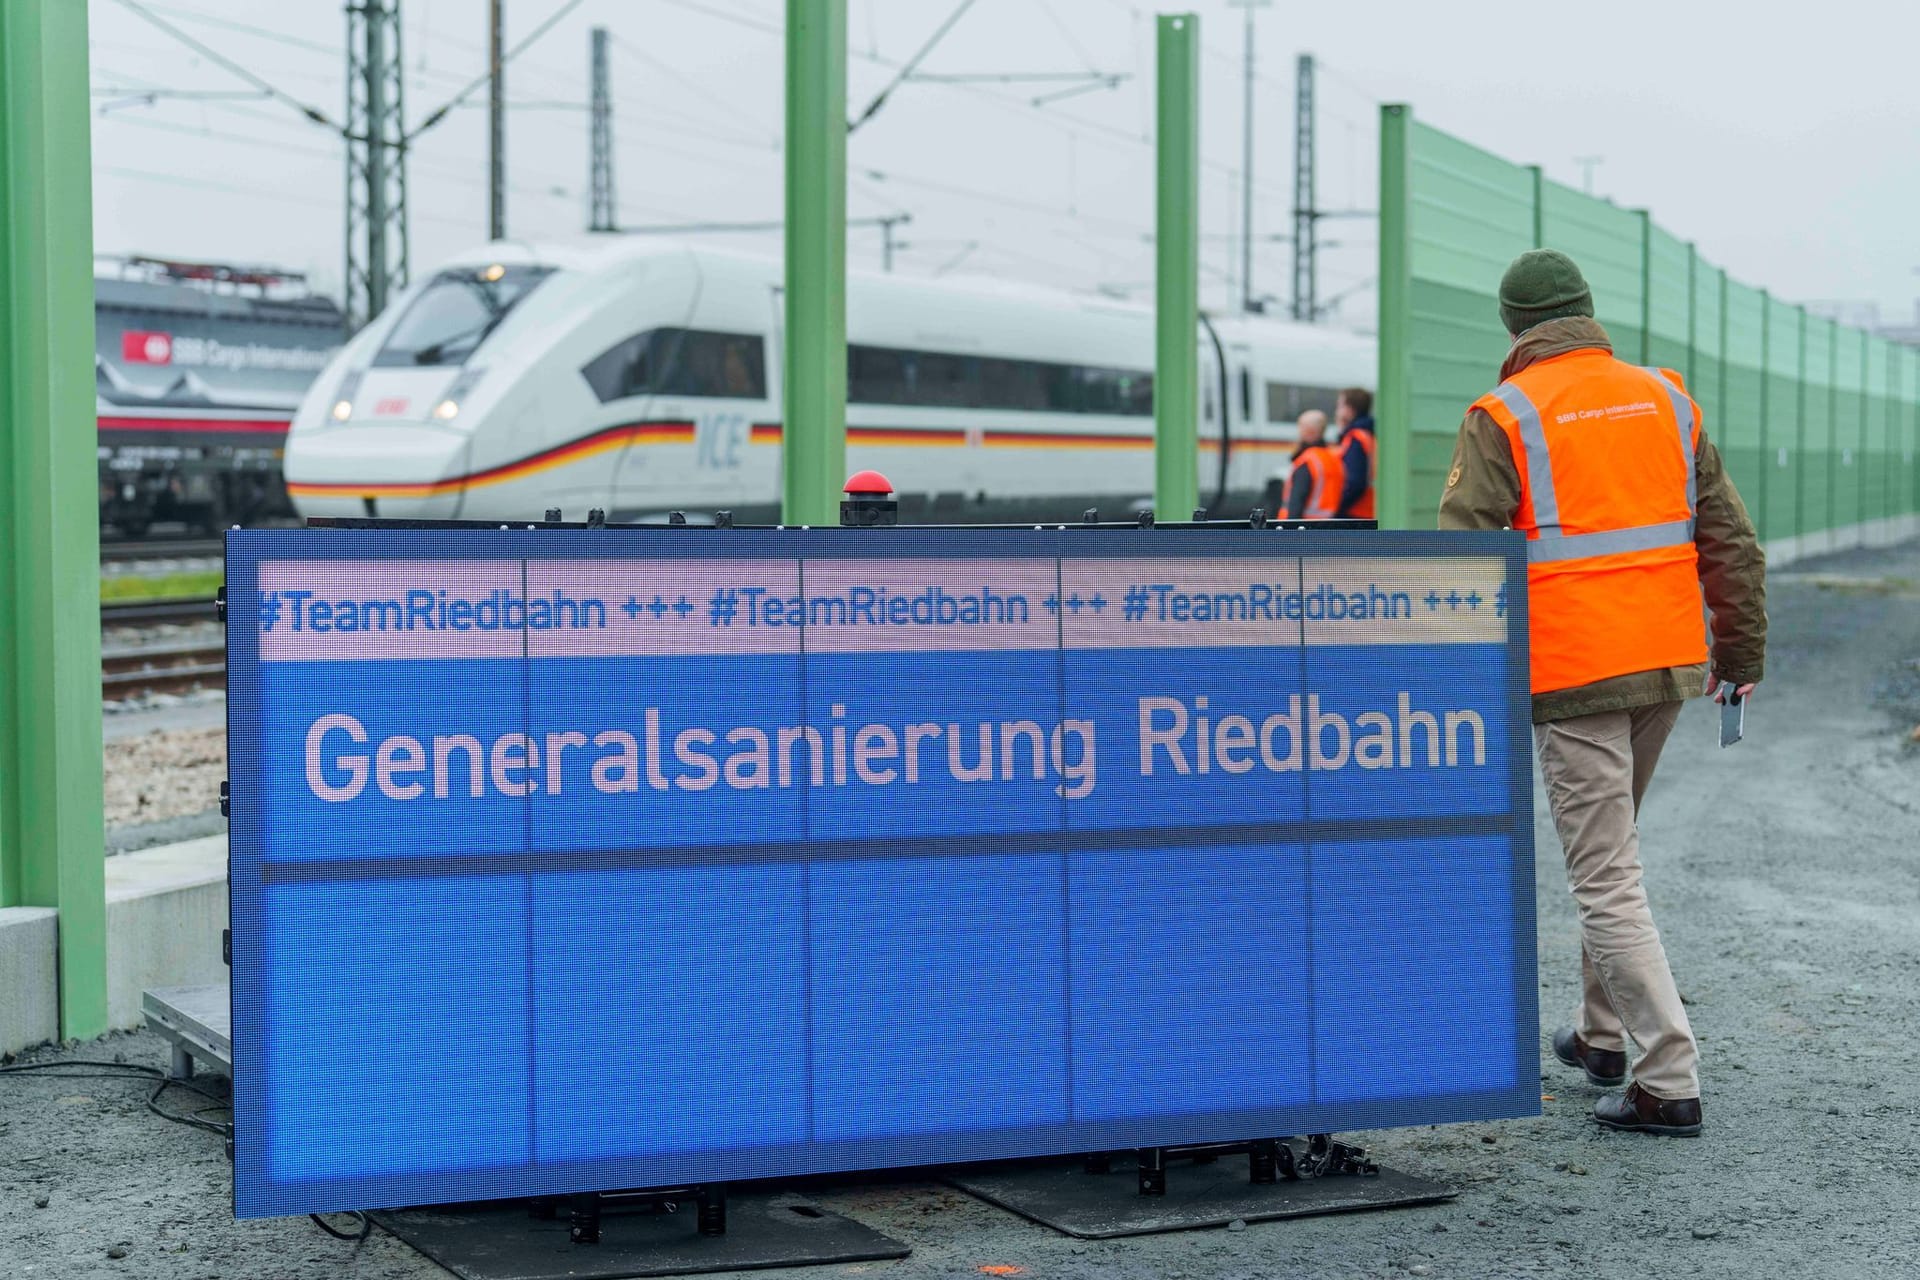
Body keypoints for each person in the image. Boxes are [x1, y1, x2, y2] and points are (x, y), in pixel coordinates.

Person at [1439, 249, 1767, 1137]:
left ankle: (1668, 1079)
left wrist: (1465, 694)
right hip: (1665, 664)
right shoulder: (1667, 398)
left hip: (1576, 670)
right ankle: (1601, 1037)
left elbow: (1464, 567)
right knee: (1616, 851)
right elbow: (1730, 540)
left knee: (1604, 876)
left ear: (1514, 327)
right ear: (1587, 311)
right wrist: (1737, 654)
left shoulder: (1503, 413)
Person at [1284, 410, 1345, 520]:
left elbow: (1297, 502)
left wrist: (1289, 532)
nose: (1298, 432)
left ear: (1309, 431)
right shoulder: (1334, 458)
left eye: (1301, 427)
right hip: (1328, 527)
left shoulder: (1307, 461)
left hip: (1304, 529)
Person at [1334, 387, 1376, 519]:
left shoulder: (1356, 438)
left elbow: (1355, 483)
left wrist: (1336, 508)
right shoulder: (1368, 434)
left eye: (1340, 406)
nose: (1337, 412)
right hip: (1367, 511)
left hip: (1355, 513)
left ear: (1349, 409)